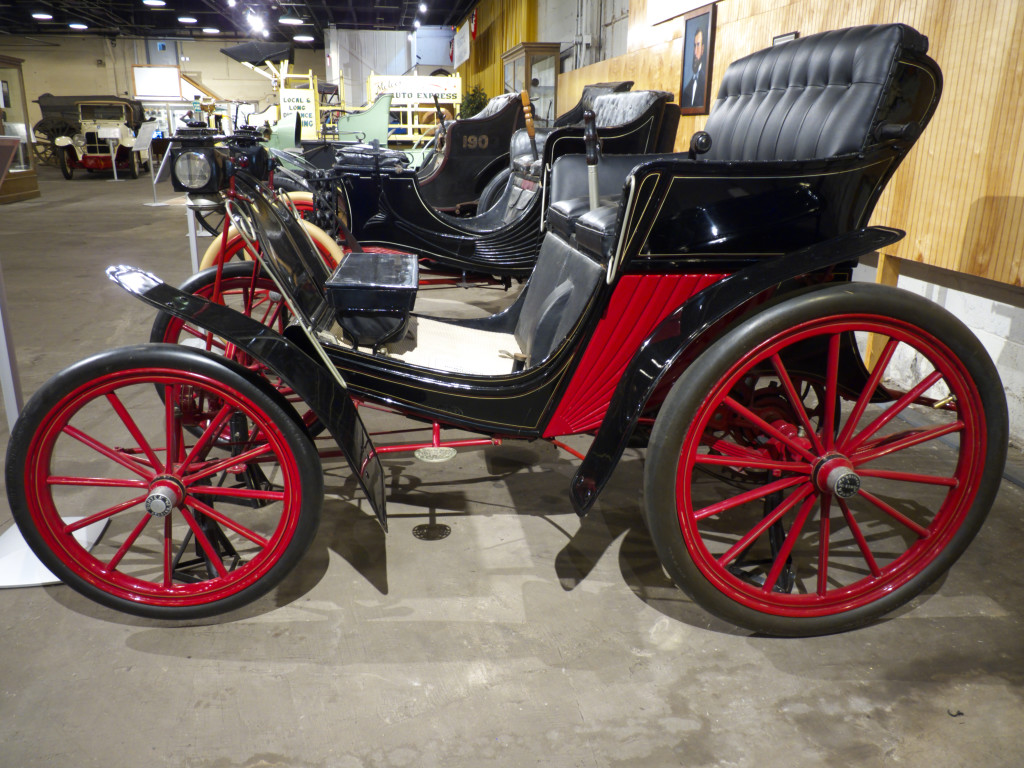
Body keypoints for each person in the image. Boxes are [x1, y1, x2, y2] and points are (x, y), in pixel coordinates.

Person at [681, 25, 707, 108]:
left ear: (703, 49)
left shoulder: (705, 81)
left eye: (698, 45)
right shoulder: (687, 89)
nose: (695, 51)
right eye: (694, 45)